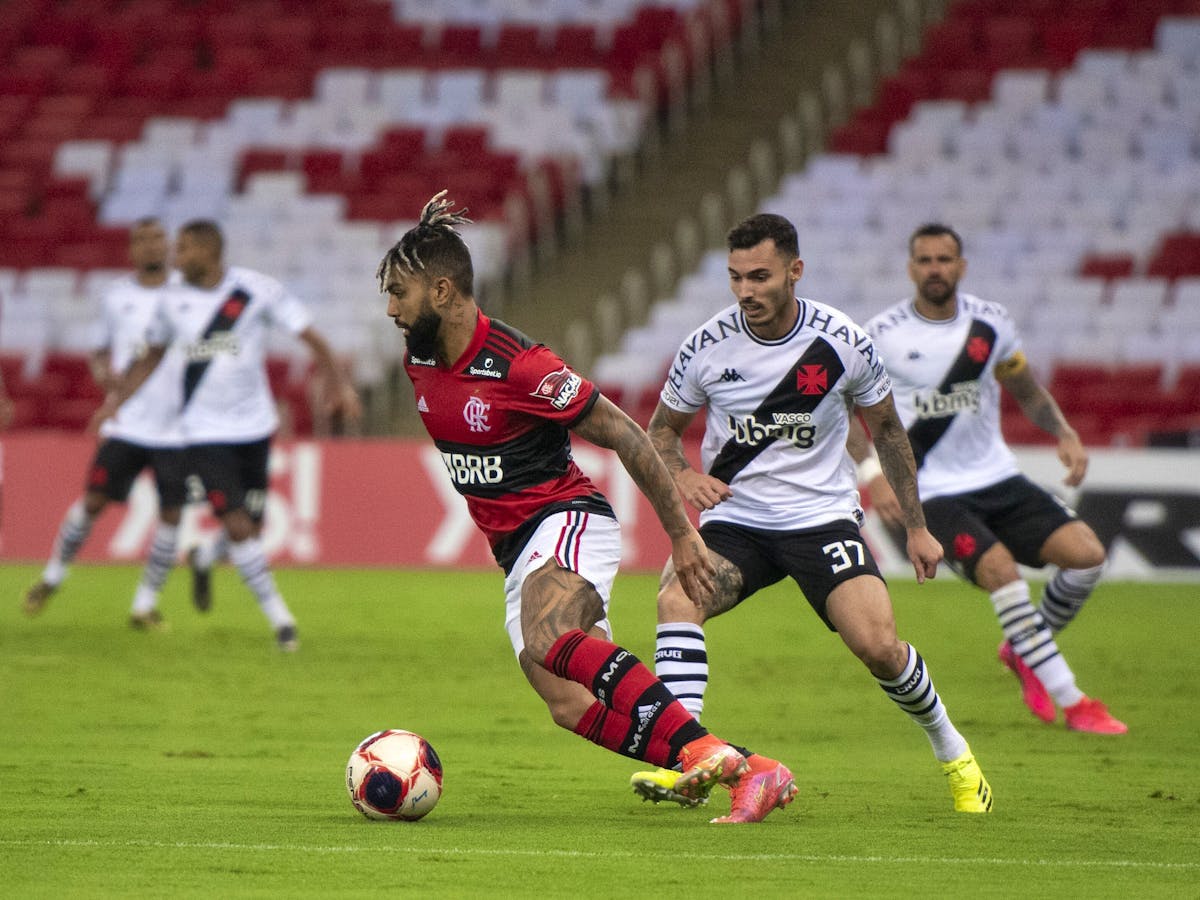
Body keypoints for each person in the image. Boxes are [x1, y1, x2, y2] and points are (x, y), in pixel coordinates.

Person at [376, 191, 789, 822]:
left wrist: (682, 536)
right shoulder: (420, 358)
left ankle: (709, 754)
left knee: (550, 637)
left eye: (398, 293)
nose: (389, 309)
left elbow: (625, 432)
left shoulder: (522, 367)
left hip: (566, 518)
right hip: (516, 550)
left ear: (440, 291)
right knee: (565, 702)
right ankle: (755, 770)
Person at [630, 212, 994, 815]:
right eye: (735, 277)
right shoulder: (706, 345)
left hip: (821, 519)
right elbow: (660, 432)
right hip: (738, 520)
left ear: (795, 271)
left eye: (760, 276)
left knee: (879, 647)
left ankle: (954, 753)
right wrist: (687, 474)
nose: (746, 291)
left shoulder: (841, 342)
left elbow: (888, 432)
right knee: (676, 599)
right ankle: (686, 758)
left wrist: (920, 527)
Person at [858, 223, 1126, 734]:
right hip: (930, 490)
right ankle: (1074, 701)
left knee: (1088, 556)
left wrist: (1064, 431)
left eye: (944, 259)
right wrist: (873, 472)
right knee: (1003, 572)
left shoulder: (991, 324)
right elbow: (846, 410)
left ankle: (1024, 647)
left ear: (961, 266)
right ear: (911, 267)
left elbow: (1024, 389)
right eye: (925, 260)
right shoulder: (881, 334)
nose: (935, 268)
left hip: (997, 476)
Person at [91, 219, 363, 650]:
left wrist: (337, 382)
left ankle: (203, 556)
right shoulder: (171, 301)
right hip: (201, 431)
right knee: (238, 524)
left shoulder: (255, 291)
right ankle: (282, 622)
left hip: (254, 427)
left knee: (251, 523)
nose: (175, 257)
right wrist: (115, 402)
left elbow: (310, 336)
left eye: (183, 248)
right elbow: (151, 357)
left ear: (207, 251)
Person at [23, 217, 188, 628]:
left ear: (167, 246)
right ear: (131, 250)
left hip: (177, 425)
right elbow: (99, 352)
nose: (151, 246)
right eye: (142, 240)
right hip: (126, 421)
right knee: (94, 501)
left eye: (158, 238)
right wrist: (102, 375)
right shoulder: (116, 297)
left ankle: (145, 604)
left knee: (171, 513)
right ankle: (52, 576)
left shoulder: (189, 294)